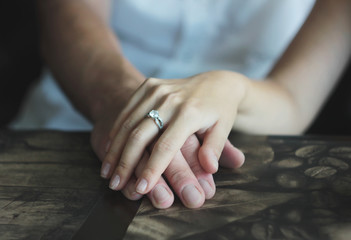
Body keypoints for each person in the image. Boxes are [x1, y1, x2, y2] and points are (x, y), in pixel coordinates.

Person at [11, 0, 350, 209]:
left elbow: (293, 100)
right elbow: (67, 16)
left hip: (230, 151)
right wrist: (123, 103)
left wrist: (232, 87)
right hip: (71, 116)